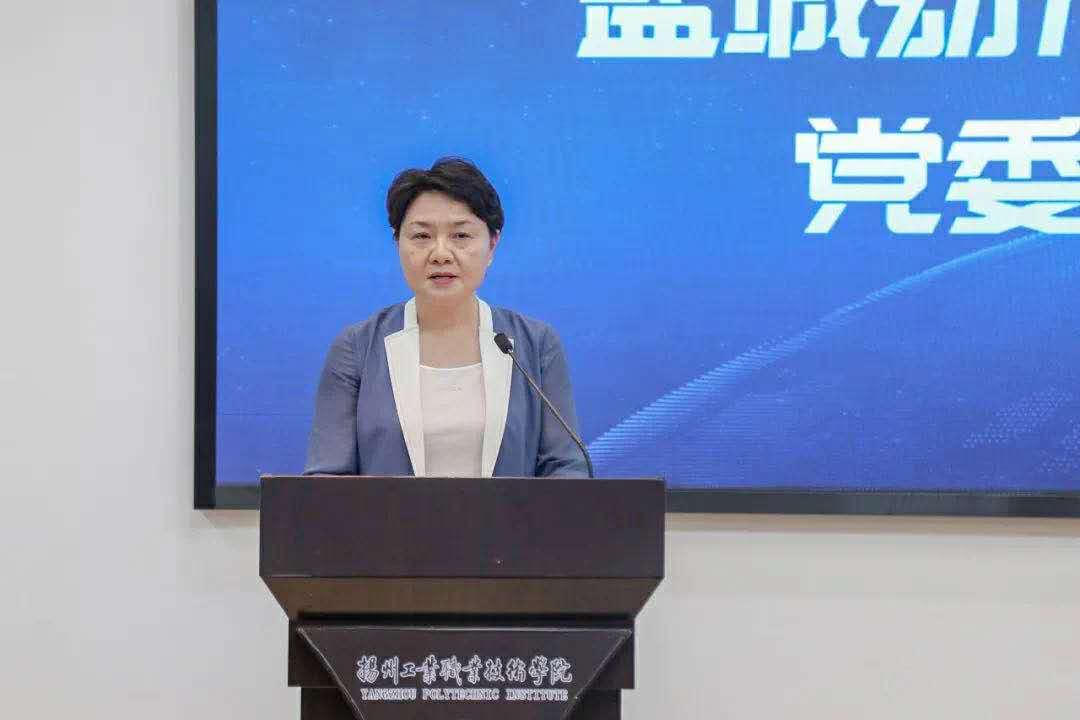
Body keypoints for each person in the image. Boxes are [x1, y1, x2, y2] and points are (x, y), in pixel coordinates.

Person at [304, 157, 587, 478]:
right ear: (397, 242)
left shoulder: (535, 345)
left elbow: (567, 469)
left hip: (511, 515)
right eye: (421, 236)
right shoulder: (357, 348)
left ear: (492, 244)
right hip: (386, 516)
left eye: (461, 236)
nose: (440, 254)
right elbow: (326, 480)